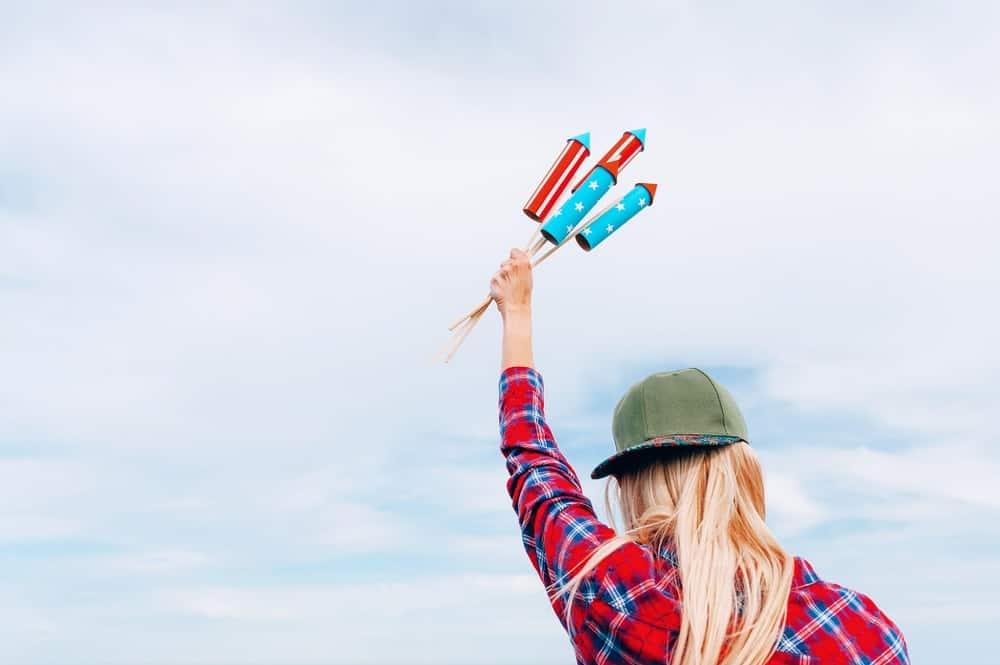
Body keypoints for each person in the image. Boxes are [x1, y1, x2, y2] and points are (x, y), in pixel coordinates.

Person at [490, 248, 909, 665]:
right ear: (743, 472)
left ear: (628, 487)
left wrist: (518, 315)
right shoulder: (863, 629)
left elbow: (535, 468)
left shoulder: (616, 593)